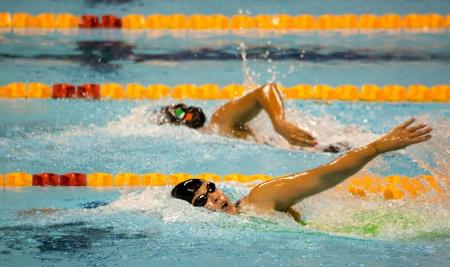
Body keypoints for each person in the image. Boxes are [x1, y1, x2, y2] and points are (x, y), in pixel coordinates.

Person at [170, 118, 432, 222]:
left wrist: (377, 147)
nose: (215, 197)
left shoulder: (259, 198)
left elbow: (323, 175)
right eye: (203, 200)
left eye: (211, 188)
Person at [158, 83, 318, 148]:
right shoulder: (215, 134)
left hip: (313, 146)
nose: (189, 112)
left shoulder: (218, 120)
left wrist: (279, 122)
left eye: (185, 108)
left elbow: (266, 90)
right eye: (181, 113)